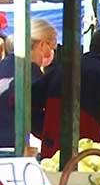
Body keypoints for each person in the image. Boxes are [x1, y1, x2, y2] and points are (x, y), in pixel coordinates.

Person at [33, 23, 100, 158]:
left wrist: (49, 133)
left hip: (53, 157)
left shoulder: (62, 70)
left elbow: (24, 103)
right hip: (93, 160)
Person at [0, 19, 57, 149]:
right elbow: (35, 116)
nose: (51, 53)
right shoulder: (30, 71)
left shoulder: (4, 65)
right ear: (42, 45)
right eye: (52, 47)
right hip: (10, 147)